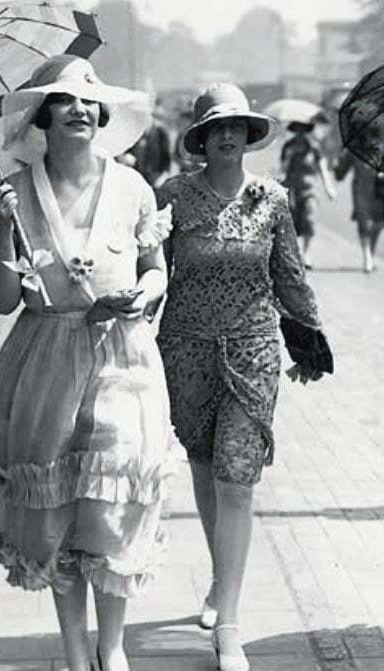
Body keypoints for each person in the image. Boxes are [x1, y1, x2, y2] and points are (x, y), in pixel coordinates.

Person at [0, 55, 174, 671]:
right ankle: (72, 651)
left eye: (89, 101)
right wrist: (6, 233)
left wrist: (142, 295)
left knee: (113, 496)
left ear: (103, 114)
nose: (79, 110)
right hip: (44, 358)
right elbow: (1, 300)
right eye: (64, 101)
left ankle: (111, 648)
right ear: (43, 116)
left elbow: (155, 270)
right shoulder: (17, 192)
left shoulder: (133, 187)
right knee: (58, 505)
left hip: (123, 355)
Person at [155, 82, 333, 671]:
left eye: (236, 126)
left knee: (237, 476)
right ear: (201, 138)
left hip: (254, 350)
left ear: (249, 136)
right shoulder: (174, 195)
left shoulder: (272, 199)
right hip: (185, 349)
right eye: (215, 127)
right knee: (205, 467)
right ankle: (217, 581)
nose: (226, 135)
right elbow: (152, 269)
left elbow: (290, 276)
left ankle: (228, 624)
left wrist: (309, 339)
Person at [333, 149, 384, 273]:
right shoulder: (354, 149)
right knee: (364, 223)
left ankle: (370, 254)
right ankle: (367, 257)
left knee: (379, 223)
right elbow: (340, 173)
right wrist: (337, 164)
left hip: (380, 191)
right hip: (361, 191)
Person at [280, 114, 337, 268]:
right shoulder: (288, 146)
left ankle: (306, 254)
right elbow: (282, 170)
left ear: (306, 130)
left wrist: (329, 188)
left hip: (310, 189)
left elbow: (323, 168)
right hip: (291, 190)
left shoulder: (314, 148)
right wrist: (289, 156)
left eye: (303, 130)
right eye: (297, 130)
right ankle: (295, 254)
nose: (300, 133)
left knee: (310, 221)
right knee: (293, 223)